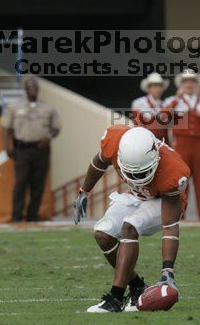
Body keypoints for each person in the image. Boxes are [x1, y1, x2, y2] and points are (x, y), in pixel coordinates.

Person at [72, 126, 190, 313]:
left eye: (142, 173)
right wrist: (84, 191)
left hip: (162, 200)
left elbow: (170, 227)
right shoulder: (114, 141)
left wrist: (167, 272)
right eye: (133, 173)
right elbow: (99, 162)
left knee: (130, 226)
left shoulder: (173, 171)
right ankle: (137, 288)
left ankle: (115, 298)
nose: (137, 177)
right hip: (138, 195)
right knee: (103, 233)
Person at [2, 77, 61, 222]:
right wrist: (7, 145)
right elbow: (6, 128)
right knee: (21, 183)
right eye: (30, 87)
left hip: (41, 150)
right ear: (25, 89)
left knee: (38, 184)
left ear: (38, 89)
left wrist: (49, 136)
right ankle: (16, 216)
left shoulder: (48, 108)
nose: (32, 89)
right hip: (22, 149)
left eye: (35, 87)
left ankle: (32, 216)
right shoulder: (14, 106)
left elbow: (56, 127)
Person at [164, 69, 200, 221]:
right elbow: (163, 117)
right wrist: (176, 99)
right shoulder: (172, 101)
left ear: (197, 84)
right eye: (186, 81)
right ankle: (181, 213)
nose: (189, 84)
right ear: (180, 84)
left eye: (192, 81)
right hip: (182, 144)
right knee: (182, 181)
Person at [131, 73, 170, 144]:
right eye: (155, 86)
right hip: (145, 143)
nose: (158, 89)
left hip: (162, 144)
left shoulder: (165, 104)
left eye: (160, 86)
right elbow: (138, 127)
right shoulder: (138, 103)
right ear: (148, 88)